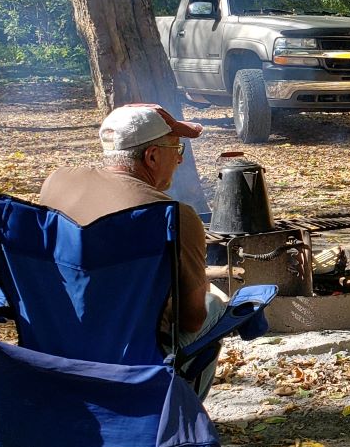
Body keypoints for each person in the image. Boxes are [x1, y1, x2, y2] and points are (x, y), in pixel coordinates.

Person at [38, 103, 225, 397]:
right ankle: (176, 419)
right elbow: (192, 320)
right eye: (177, 151)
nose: (178, 161)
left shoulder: (56, 183)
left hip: (56, 340)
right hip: (132, 356)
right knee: (212, 306)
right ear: (152, 156)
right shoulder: (174, 218)